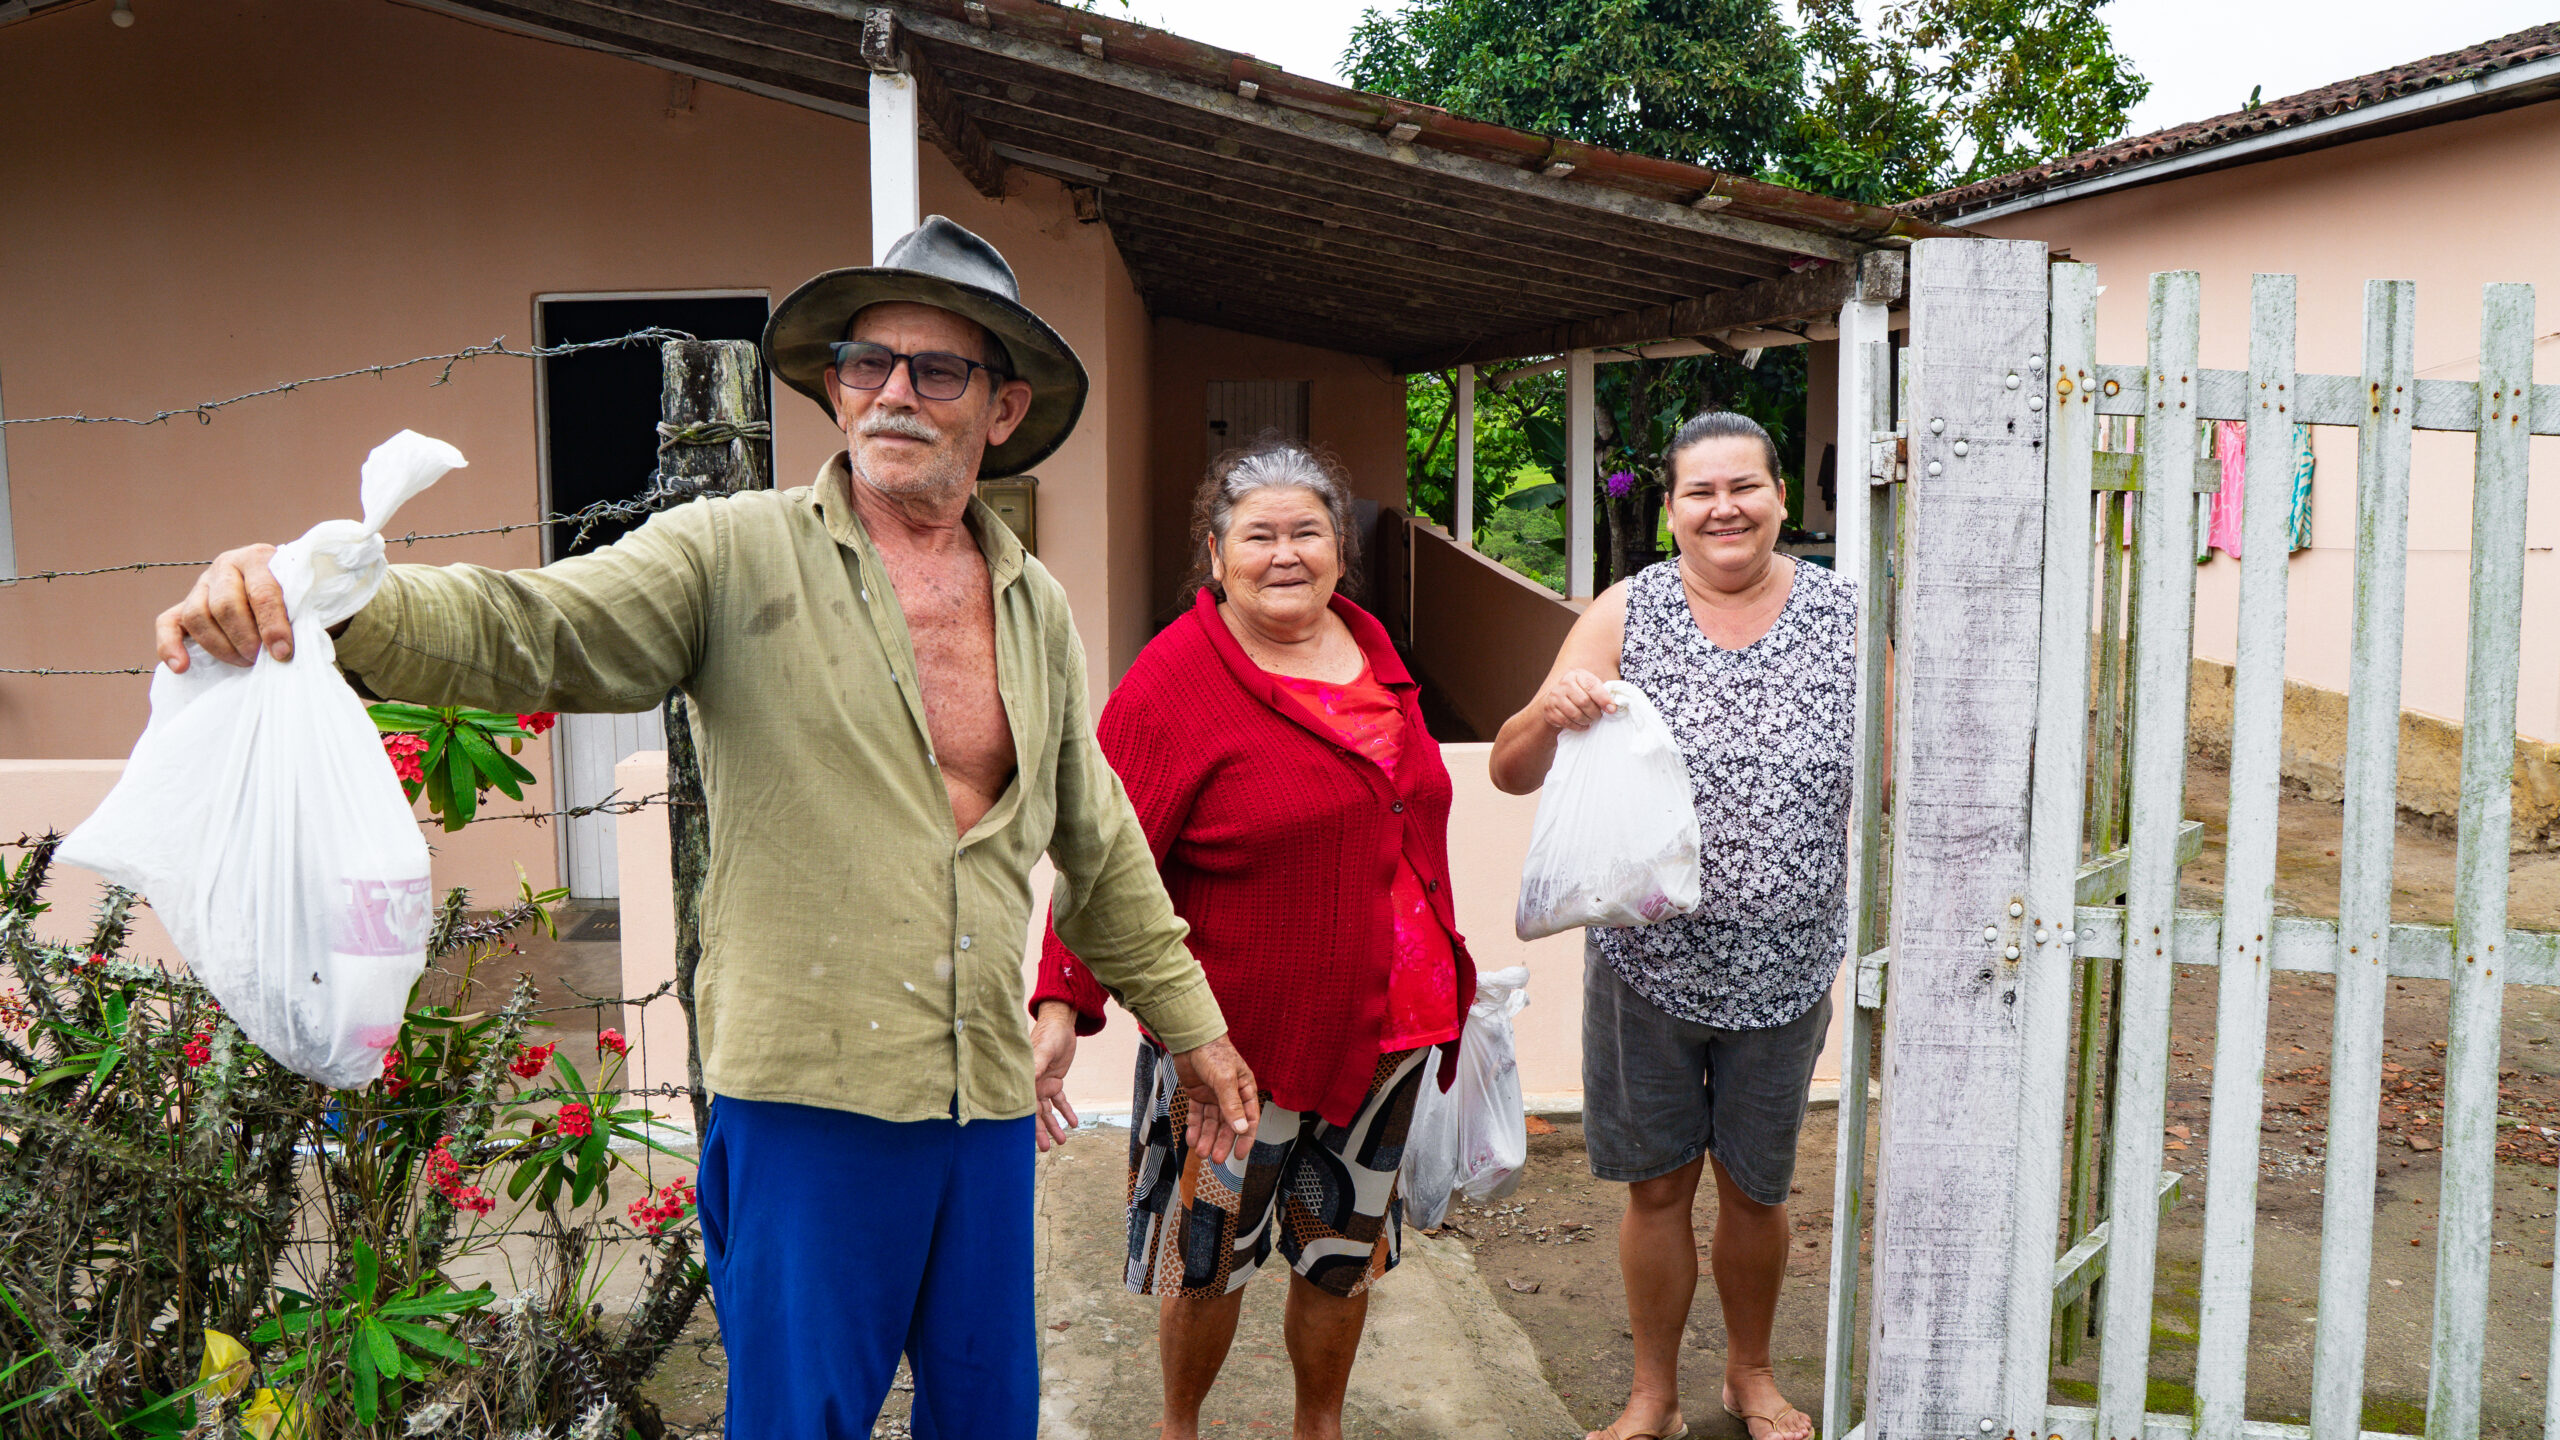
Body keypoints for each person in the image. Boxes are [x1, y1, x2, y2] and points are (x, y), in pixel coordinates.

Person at [153, 215, 1261, 1440]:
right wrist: (327, 596)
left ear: (1002, 408)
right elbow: (538, 626)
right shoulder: (733, 554)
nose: (893, 392)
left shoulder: (1033, 603)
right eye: (866, 362)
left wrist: (1197, 1034)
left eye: (937, 369)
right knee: (799, 1418)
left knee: (989, 1414)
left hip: (982, 1101)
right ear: (835, 385)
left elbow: (1098, 842)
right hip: (808, 1099)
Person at [1031, 441, 1474, 1440]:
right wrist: (1062, 1002)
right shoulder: (1174, 682)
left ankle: (1319, 1428)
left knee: (1341, 1256)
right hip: (1233, 1047)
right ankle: (1178, 1429)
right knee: (1209, 1259)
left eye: (1307, 531)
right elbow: (1104, 859)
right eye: (1259, 534)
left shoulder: (1373, 650)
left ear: (1340, 547)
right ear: (1215, 552)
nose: (1285, 554)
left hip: (1390, 1034)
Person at [1488, 412, 1855, 1440]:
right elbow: (1509, 767)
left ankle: (1750, 1376)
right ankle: (1652, 1394)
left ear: (1780, 497)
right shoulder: (1626, 612)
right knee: (1655, 1192)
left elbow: (1898, 774)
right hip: (1643, 969)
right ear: (1670, 510)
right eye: (1700, 492)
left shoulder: (1844, 614)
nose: (1723, 509)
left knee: (1756, 1191)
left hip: (1787, 964)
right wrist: (1549, 713)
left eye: (1744, 487)